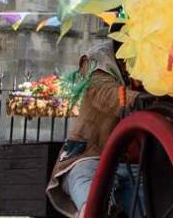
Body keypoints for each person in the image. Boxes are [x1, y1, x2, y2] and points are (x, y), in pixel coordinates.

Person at [47, 39, 143, 218]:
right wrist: (136, 99)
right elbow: (103, 92)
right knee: (91, 194)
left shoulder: (152, 60)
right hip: (90, 156)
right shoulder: (98, 59)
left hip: (137, 164)